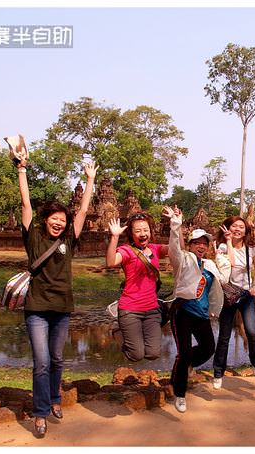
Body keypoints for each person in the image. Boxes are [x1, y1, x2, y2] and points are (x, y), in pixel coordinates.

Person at [17, 156, 97, 437]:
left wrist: (89, 181)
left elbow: (85, 210)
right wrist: (22, 169)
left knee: (57, 359)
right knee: (41, 362)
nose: (59, 223)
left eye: (63, 220)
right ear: (45, 220)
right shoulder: (35, 238)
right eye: (55, 219)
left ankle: (54, 398)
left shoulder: (68, 240)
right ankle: (40, 414)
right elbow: (26, 204)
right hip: (37, 308)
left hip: (62, 307)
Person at [163, 206, 230, 413]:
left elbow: (223, 281)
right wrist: (176, 225)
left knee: (208, 348)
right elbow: (174, 249)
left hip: (202, 314)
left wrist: (220, 255)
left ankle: (186, 365)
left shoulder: (209, 264)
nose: (201, 246)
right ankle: (180, 393)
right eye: (197, 243)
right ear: (190, 245)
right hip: (182, 311)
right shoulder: (184, 260)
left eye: (204, 243)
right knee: (183, 353)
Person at [106, 211, 169, 362]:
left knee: (153, 354)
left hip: (152, 309)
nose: (142, 234)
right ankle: (117, 330)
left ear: (150, 232)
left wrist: (176, 226)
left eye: (145, 230)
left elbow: (176, 249)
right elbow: (111, 262)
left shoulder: (155, 249)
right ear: (131, 234)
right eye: (138, 230)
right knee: (136, 355)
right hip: (130, 309)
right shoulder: (127, 251)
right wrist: (114, 237)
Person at [212, 215, 255, 389]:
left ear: (246, 230)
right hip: (227, 295)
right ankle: (218, 372)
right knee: (224, 335)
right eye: (234, 226)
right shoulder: (222, 247)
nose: (238, 229)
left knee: (252, 331)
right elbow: (230, 265)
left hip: (246, 294)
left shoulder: (252, 249)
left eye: (241, 227)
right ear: (227, 228)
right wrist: (228, 242)